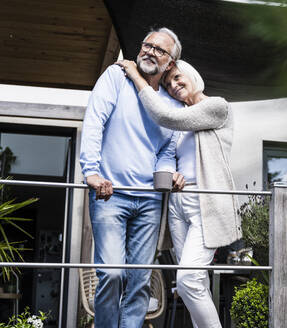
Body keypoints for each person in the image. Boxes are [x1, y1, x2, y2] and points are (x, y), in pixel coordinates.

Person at [116, 58, 242, 328]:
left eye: (176, 78)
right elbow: (170, 155)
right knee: (195, 284)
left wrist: (138, 78)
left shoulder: (217, 107)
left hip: (205, 204)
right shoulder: (182, 125)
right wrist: (172, 171)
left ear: (190, 74)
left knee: (188, 280)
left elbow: (167, 116)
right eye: (167, 83)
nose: (173, 86)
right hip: (177, 206)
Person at [79, 27, 185, 328]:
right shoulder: (115, 78)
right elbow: (94, 122)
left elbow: (166, 150)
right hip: (109, 193)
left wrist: (168, 175)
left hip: (150, 201)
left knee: (140, 281)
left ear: (170, 63)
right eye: (146, 45)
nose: (150, 51)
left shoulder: (171, 104)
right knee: (112, 273)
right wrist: (91, 171)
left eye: (159, 49)